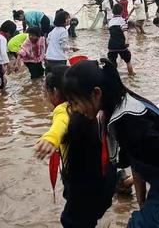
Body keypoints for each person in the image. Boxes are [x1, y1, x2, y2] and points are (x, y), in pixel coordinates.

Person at [63, 59, 159, 228]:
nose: (74, 109)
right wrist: (142, 203)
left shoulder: (130, 120)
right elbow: (136, 159)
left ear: (96, 93)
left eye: (75, 102)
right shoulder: (116, 104)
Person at [36, 64, 117, 228]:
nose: (44, 95)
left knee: (72, 220)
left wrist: (50, 139)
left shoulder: (63, 109)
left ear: (56, 92)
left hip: (81, 183)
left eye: (46, 91)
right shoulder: (90, 106)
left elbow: (59, 125)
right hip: (102, 179)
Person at [108, 4, 135, 76]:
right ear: (122, 12)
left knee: (112, 62)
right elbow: (125, 31)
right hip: (121, 45)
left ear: (113, 12)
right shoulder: (122, 21)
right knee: (128, 61)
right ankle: (131, 76)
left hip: (112, 45)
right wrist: (126, 40)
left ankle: (113, 76)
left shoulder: (110, 22)